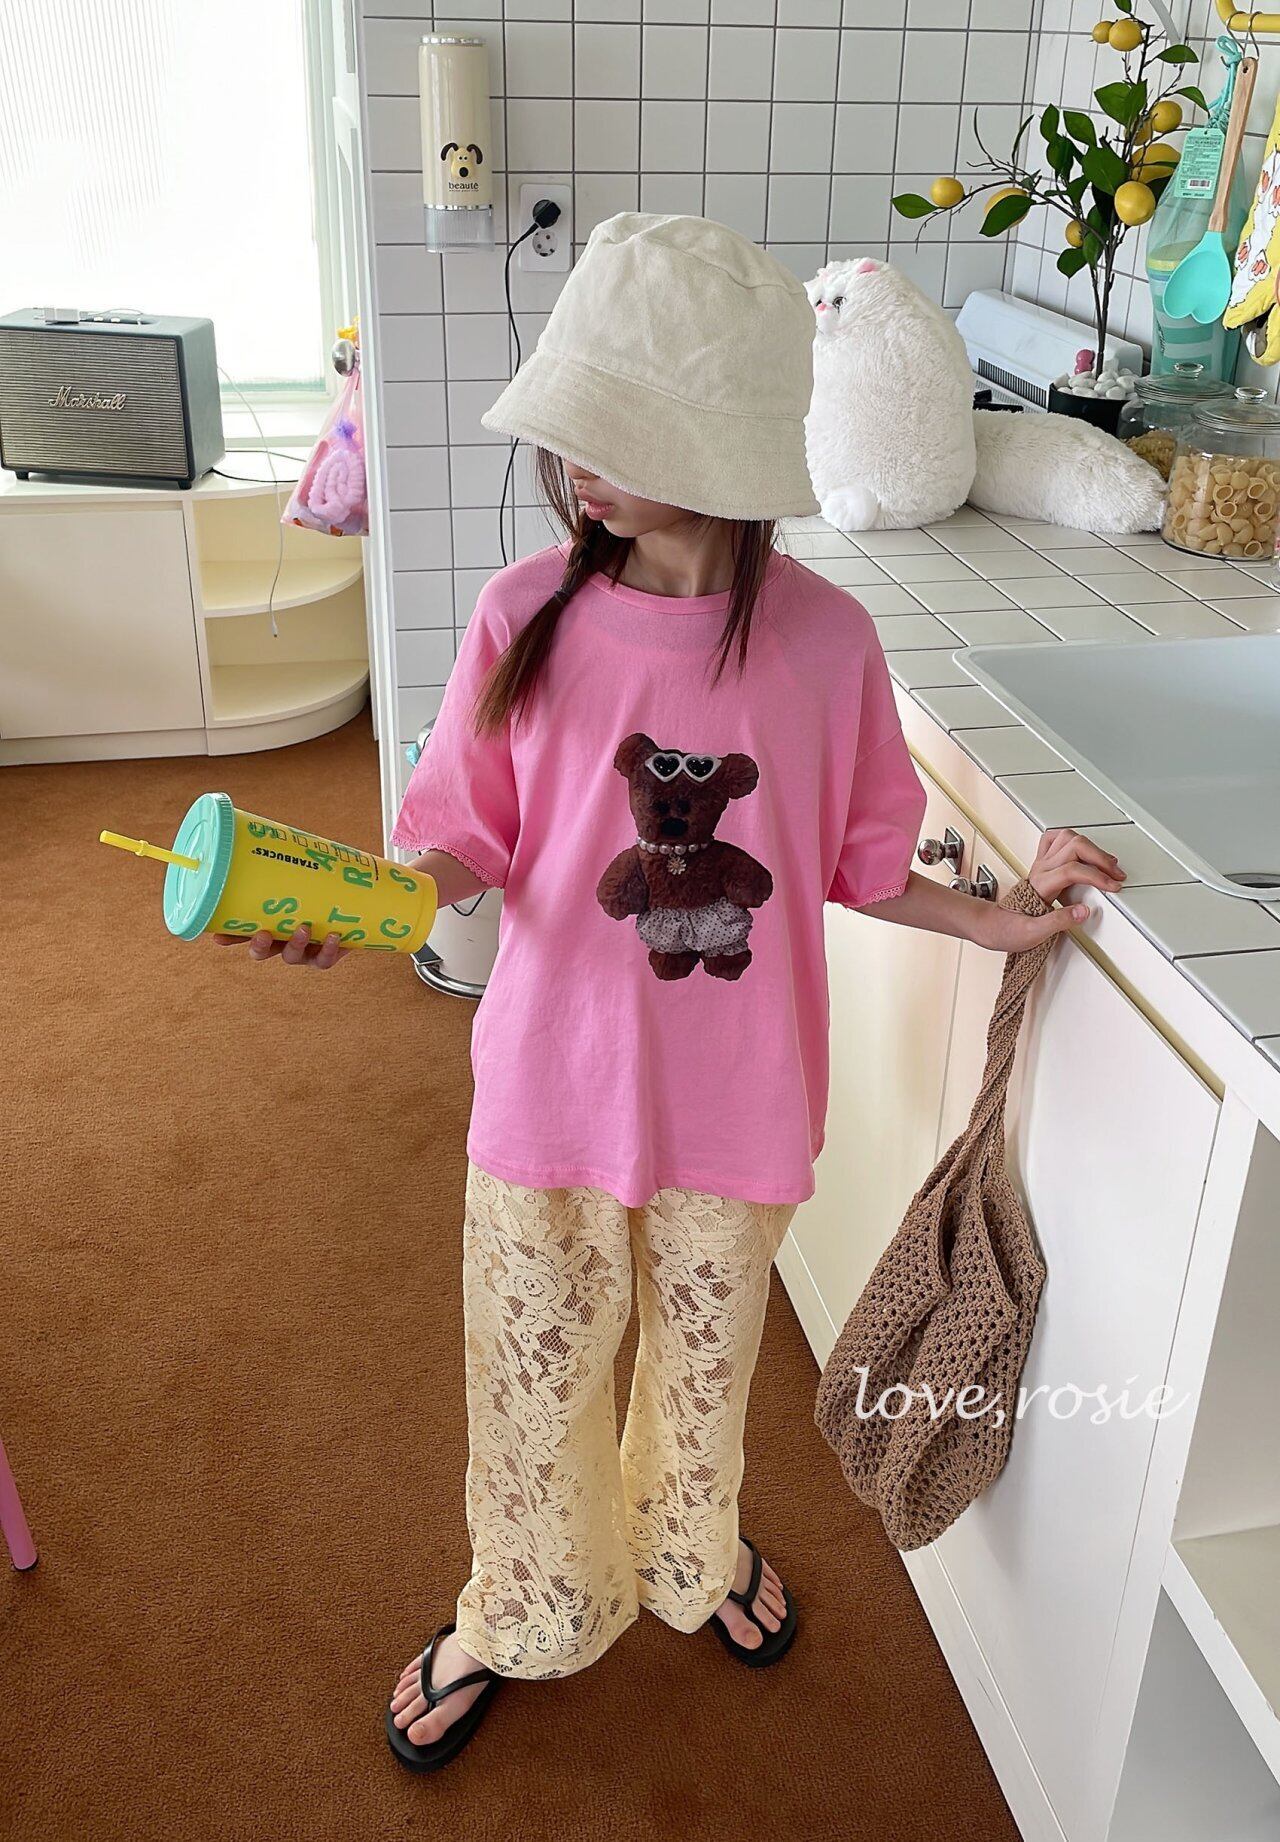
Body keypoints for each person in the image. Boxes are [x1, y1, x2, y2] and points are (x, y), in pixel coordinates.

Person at [218, 215, 1125, 1773]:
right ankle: (519, 1605)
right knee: (535, 1375)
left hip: (737, 1115)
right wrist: (358, 903)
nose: (578, 463)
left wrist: (1003, 919)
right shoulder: (524, 616)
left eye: (617, 428)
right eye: (575, 424)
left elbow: (853, 860)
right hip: (549, 1098)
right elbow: (461, 840)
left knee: (704, 1383)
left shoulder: (828, 645)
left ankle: (689, 1556)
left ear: (715, 445)